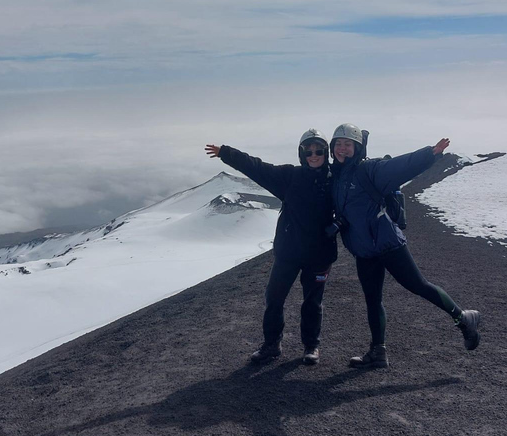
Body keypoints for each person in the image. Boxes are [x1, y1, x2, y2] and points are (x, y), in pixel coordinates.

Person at [328, 123, 480, 368]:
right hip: (364, 250)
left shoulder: (369, 169)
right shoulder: (335, 177)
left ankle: (463, 318)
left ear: (357, 148)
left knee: (418, 285)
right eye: (338, 144)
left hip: (387, 243)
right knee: (372, 299)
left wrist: (428, 154)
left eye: (347, 144)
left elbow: (400, 166)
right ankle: (378, 352)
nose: (342, 148)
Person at [205, 129, 336, 365]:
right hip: (289, 253)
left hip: (319, 254)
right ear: (301, 154)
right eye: (308, 151)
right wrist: (226, 153)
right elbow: (257, 167)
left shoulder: (335, 179)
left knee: (313, 302)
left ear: (326, 152)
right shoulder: (290, 176)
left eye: (318, 151)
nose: (313, 155)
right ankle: (272, 345)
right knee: (274, 298)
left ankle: (311, 346)